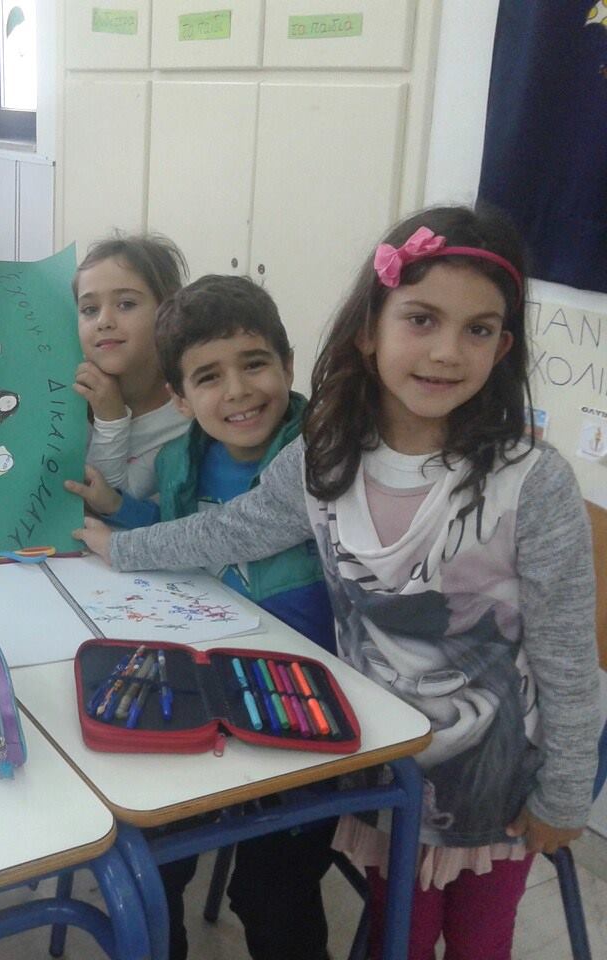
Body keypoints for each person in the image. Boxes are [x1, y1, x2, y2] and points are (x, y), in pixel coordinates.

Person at [74, 206, 602, 960]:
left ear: (503, 346)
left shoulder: (533, 481)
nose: (446, 351)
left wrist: (566, 790)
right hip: (377, 766)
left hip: (495, 782)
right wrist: (120, 546)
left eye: (478, 329)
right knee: (397, 933)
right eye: (421, 319)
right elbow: (231, 530)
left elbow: (567, 657)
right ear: (368, 331)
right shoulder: (326, 453)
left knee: (481, 941)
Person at [66, 274, 336, 960]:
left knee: (274, 896)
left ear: (288, 366)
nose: (238, 391)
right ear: (181, 398)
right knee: (155, 864)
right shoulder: (182, 461)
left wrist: (123, 539)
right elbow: (179, 535)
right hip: (204, 687)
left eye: (255, 364)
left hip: (296, 704)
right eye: (209, 377)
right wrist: (121, 509)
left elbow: (229, 538)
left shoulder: (321, 454)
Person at [73, 233, 191, 502]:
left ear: (167, 312)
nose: (104, 321)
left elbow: (112, 507)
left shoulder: (186, 416)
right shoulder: (65, 393)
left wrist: (111, 420)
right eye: (89, 309)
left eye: (126, 304)